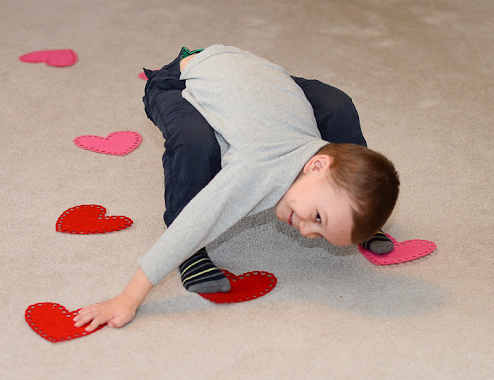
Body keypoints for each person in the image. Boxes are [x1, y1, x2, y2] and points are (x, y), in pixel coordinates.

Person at [74, 45, 399, 331]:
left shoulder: (318, 159)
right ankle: (193, 254)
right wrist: (128, 298)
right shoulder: (257, 171)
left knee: (335, 105)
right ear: (317, 165)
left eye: (321, 233)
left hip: (252, 73)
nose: (306, 232)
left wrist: (361, 205)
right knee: (196, 144)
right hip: (180, 77)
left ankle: (357, 217)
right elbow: (198, 219)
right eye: (318, 218)